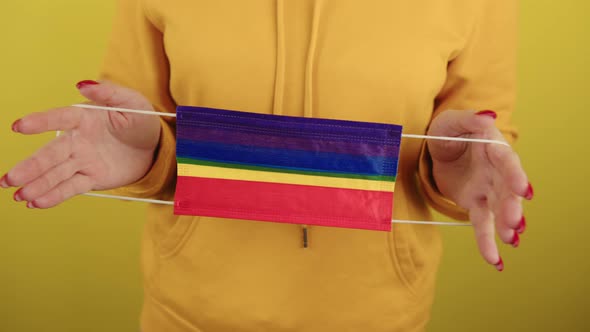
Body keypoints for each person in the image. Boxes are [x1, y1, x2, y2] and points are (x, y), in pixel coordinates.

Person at [1, 0, 533, 331]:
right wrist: (146, 154)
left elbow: (482, 145)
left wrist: (453, 172)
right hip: (188, 314)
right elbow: (136, 125)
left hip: (380, 317)